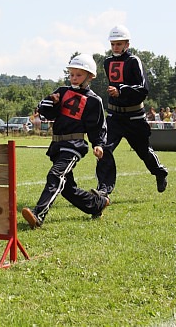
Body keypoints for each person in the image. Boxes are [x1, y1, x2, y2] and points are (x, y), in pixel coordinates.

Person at [21, 54, 110, 228]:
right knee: (68, 189)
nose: (74, 78)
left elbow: (97, 126)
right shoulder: (61, 92)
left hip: (74, 145)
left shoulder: (94, 101)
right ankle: (97, 205)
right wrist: (46, 106)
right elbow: (49, 112)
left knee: (56, 175)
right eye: (72, 74)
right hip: (58, 144)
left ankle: (38, 215)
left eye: (79, 75)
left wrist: (98, 144)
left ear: (90, 77)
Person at [94, 25, 168, 196]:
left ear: (127, 44)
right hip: (114, 116)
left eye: (119, 44)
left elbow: (143, 89)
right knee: (104, 149)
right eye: (113, 44)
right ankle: (103, 189)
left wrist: (121, 90)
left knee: (143, 151)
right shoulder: (107, 62)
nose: (115, 48)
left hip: (135, 117)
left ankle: (159, 172)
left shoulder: (134, 61)